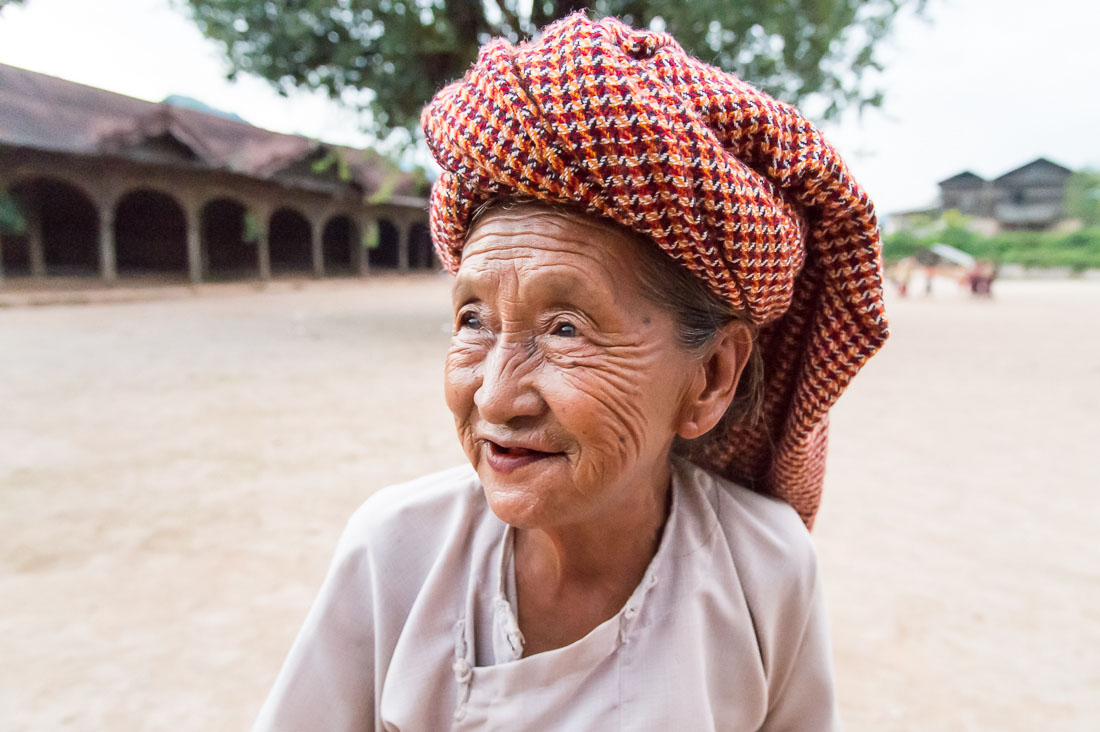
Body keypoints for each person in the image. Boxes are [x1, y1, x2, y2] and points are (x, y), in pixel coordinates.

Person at [255, 13, 888, 731]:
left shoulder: (767, 569)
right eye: (472, 320)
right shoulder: (395, 552)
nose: (494, 394)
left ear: (711, 377)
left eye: (565, 330)